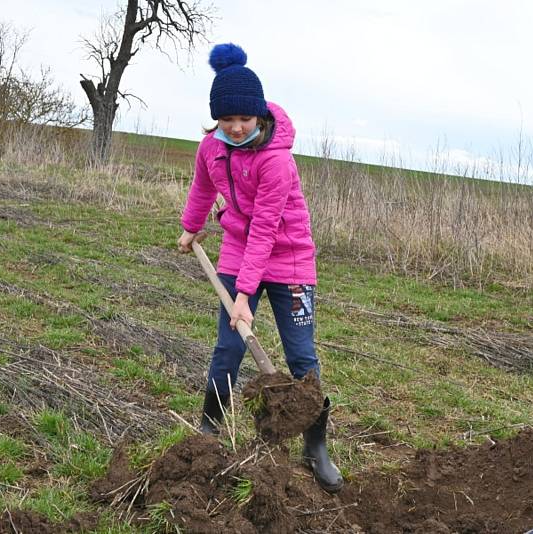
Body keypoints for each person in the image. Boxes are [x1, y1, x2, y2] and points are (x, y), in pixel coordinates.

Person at [176, 43, 343, 493]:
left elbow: (266, 230)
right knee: (226, 350)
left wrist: (245, 296)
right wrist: (191, 228)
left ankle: (316, 447)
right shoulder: (211, 148)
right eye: (226, 120)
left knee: (302, 357)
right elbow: (202, 189)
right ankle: (209, 434)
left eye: (243, 120)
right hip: (236, 251)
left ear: (259, 115)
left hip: (288, 259)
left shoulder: (276, 160)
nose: (234, 128)